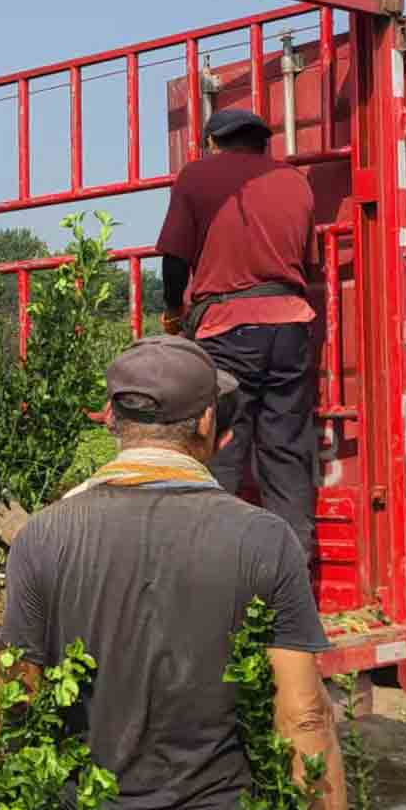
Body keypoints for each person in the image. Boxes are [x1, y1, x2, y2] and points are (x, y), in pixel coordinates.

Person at [0, 336, 354, 810]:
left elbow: (16, 700)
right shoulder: (262, 540)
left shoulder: (43, 538)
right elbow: (304, 719)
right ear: (210, 420)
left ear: (112, 418)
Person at [157, 108, 318, 555]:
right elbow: (306, 261)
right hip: (291, 326)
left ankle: (218, 567)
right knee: (286, 450)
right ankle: (293, 571)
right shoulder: (295, 181)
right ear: (261, 142)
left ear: (212, 142)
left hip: (227, 328)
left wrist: (173, 312)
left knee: (222, 446)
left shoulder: (196, 177)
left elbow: (174, 259)